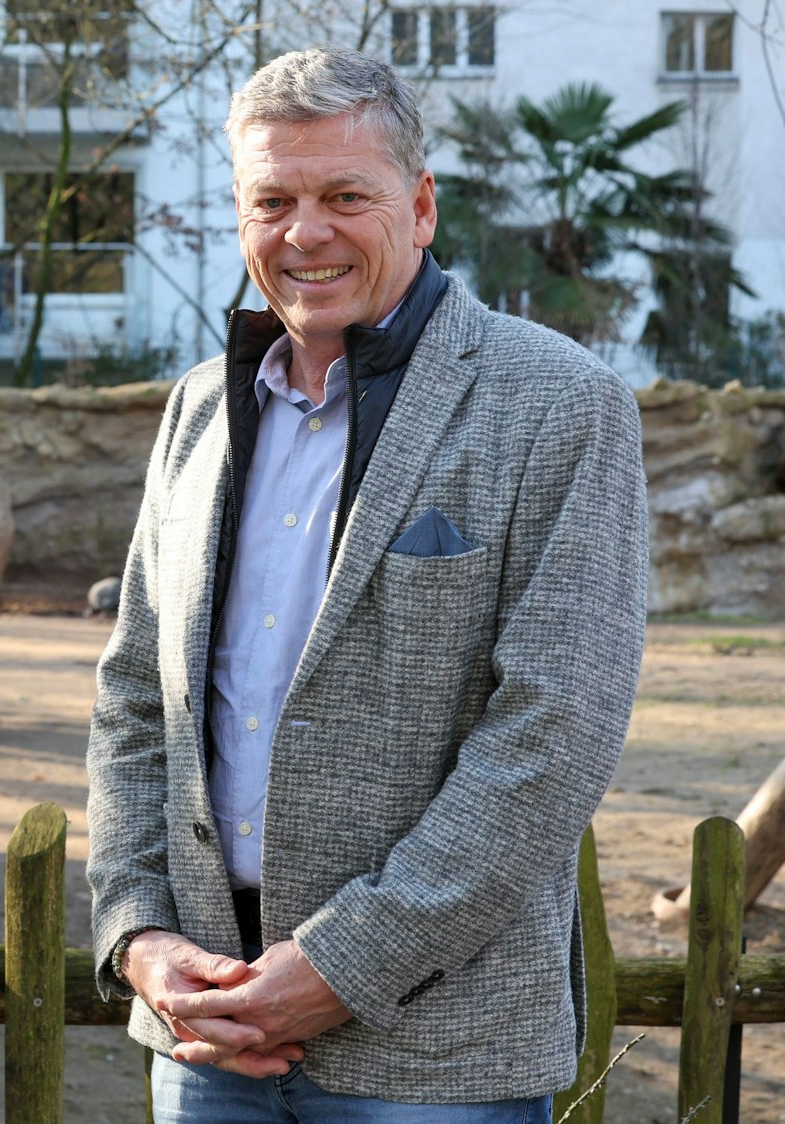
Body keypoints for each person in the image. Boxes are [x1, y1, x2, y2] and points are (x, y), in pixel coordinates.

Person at [85, 47, 649, 1120]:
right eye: (274, 199)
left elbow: (553, 735)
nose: (307, 232)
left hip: (434, 1051)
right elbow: (132, 702)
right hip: (209, 1033)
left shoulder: (561, 405)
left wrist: (343, 965)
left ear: (422, 205)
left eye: (347, 194)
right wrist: (139, 932)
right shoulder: (198, 410)